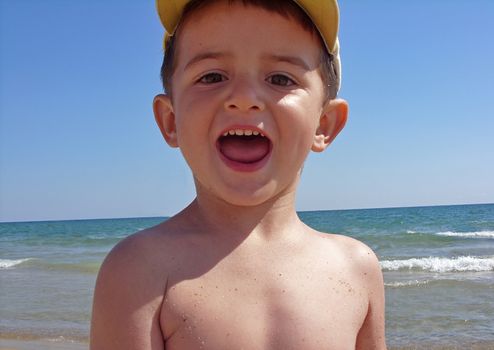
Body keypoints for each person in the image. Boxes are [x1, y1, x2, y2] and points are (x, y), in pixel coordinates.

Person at [90, 0, 387, 349]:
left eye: (280, 78)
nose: (245, 98)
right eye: (212, 76)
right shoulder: (140, 271)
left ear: (325, 124)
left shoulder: (356, 268)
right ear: (171, 121)